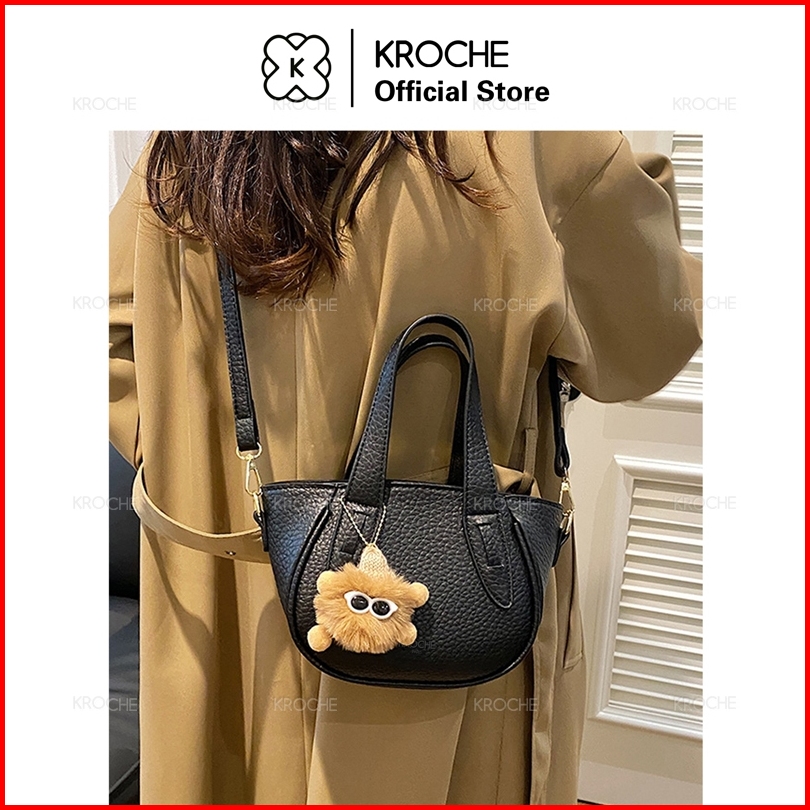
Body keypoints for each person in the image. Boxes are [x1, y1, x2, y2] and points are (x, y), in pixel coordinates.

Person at [109, 130, 701, 805]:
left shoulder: (189, 143)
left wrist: (194, 462)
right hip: (462, 594)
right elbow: (649, 344)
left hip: (225, 591)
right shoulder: (533, 134)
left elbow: (111, 330)